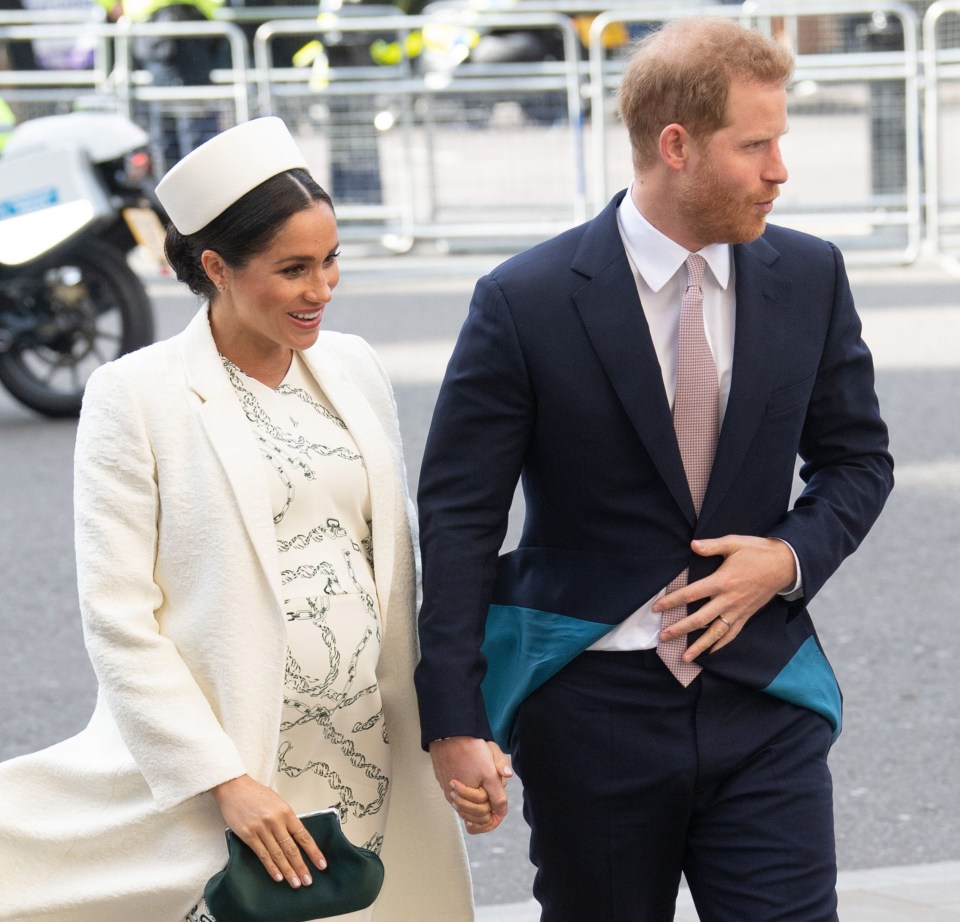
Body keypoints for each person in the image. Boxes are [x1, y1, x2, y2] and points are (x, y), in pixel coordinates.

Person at [415, 16, 894, 921]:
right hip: (591, 714)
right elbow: (458, 518)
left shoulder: (811, 276)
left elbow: (857, 461)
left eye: (781, 140)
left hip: (765, 697)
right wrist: (453, 718)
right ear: (675, 145)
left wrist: (785, 561)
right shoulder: (526, 301)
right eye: (755, 144)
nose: (780, 168)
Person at [0, 116, 474, 921]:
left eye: (330, 262)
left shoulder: (354, 367)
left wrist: (454, 730)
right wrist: (225, 782)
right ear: (216, 266)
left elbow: (391, 571)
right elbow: (118, 617)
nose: (321, 290)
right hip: (241, 768)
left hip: (367, 751)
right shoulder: (135, 394)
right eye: (293, 269)